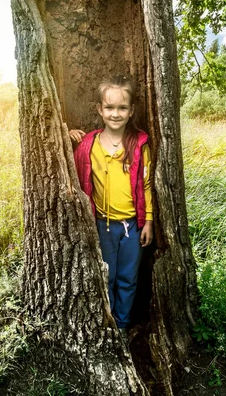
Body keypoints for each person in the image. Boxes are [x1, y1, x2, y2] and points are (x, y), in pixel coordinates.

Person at [70, 75, 153, 338]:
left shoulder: (139, 144)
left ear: (131, 111)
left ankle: (122, 327)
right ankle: (106, 327)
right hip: (102, 225)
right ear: (99, 109)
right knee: (106, 276)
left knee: (128, 279)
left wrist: (148, 221)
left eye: (122, 108)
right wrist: (66, 134)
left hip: (132, 226)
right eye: (109, 107)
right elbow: (69, 171)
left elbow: (147, 184)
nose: (115, 114)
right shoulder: (88, 144)